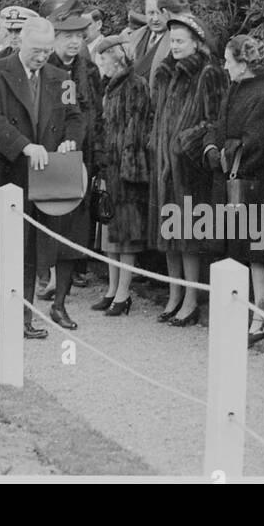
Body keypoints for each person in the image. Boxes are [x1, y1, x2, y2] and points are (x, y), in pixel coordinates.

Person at [0, 16, 83, 339]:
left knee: (31, 247)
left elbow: (74, 117)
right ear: (19, 43)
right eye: (35, 50)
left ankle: (23, 316)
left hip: (41, 176)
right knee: (0, 245)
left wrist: (71, 139)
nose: (41, 57)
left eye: (46, 50)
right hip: (4, 169)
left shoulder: (62, 78)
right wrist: (25, 147)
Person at [204, 34, 264, 345]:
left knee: (257, 252)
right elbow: (219, 126)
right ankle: (236, 314)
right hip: (233, 179)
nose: (225, 66)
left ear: (243, 62)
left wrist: (223, 154)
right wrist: (213, 147)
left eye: (228, 60)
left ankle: (260, 317)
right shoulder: (234, 88)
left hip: (256, 181)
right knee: (235, 249)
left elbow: (257, 143)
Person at [149, 11, 228, 327]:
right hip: (165, 166)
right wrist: (157, 144)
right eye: (173, 40)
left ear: (197, 43)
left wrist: (185, 143)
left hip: (190, 169)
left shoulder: (209, 73)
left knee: (188, 235)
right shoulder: (168, 73)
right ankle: (174, 294)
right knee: (169, 235)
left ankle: (192, 299)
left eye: (181, 40)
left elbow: (215, 121)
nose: (175, 45)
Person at [33, 10, 103, 327]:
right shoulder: (39, 69)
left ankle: (60, 302)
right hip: (40, 158)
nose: (74, 42)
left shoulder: (88, 71)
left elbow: (95, 119)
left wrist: (95, 159)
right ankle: (29, 290)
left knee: (72, 233)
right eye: (66, 36)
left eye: (79, 36)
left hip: (77, 161)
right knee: (36, 230)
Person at [91, 36, 152, 316]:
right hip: (110, 166)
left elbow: (135, 128)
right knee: (111, 231)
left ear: (116, 57)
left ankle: (124, 292)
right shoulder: (111, 86)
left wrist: (126, 165)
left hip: (127, 168)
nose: (100, 62)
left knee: (127, 234)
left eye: (103, 57)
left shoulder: (135, 85)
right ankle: (112, 288)